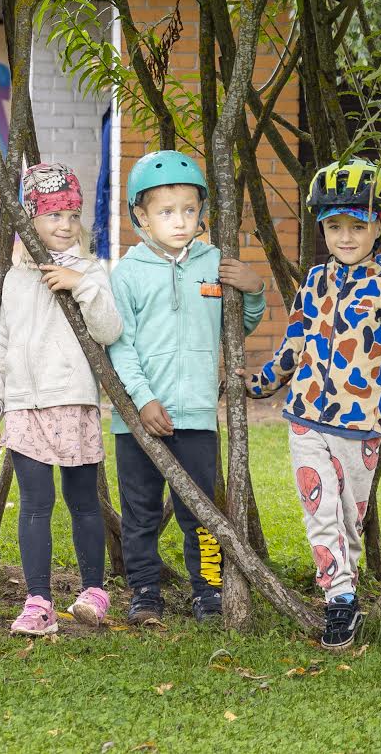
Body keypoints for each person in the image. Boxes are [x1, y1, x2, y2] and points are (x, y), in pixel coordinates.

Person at [244, 157, 381, 651]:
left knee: (347, 517)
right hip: (305, 417)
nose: (346, 237)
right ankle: (339, 598)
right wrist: (258, 385)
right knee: (318, 506)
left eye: (357, 226)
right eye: (336, 226)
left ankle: (347, 582)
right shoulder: (314, 282)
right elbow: (293, 343)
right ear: (324, 228)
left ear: (378, 226)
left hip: (361, 425)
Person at [107, 149, 267, 627]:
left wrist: (254, 289)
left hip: (196, 412)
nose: (180, 221)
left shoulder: (214, 263)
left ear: (202, 212)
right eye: (165, 211)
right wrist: (143, 401)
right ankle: (145, 592)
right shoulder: (129, 273)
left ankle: (209, 592)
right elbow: (120, 346)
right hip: (138, 416)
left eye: (189, 210)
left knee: (199, 510)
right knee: (140, 511)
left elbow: (237, 330)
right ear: (141, 215)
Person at [0, 163, 122, 635]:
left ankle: (93, 593)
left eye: (72, 215)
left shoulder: (91, 271)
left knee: (83, 501)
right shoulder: (13, 279)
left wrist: (79, 287)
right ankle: (38, 600)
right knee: (35, 504)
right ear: (30, 220)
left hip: (74, 403)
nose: (64, 225)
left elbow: (109, 330)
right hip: (23, 406)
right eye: (54, 215)